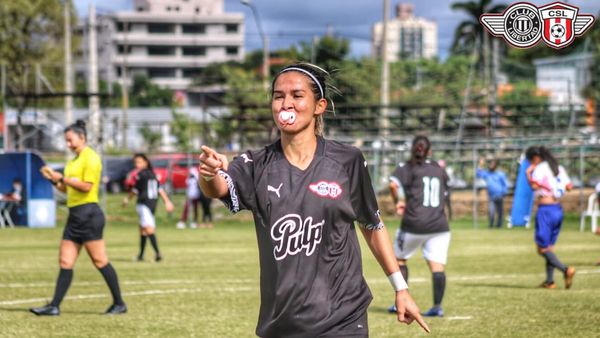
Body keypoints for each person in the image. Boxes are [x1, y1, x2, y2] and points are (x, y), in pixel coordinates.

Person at [199, 63, 429, 337]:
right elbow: (219, 188)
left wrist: (400, 288)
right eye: (278, 96)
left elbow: (372, 225)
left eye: (297, 95)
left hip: (343, 317)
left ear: (319, 106)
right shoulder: (255, 163)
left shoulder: (347, 161)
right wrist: (210, 173)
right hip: (281, 323)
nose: (286, 104)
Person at [31, 120, 127, 316]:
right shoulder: (73, 161)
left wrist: (61, 178)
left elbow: (87, 186)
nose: (68, 144)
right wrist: (53, 179)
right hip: (75, 214)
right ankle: (54, 306)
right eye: (66, 141)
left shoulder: (91, 158)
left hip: (89, 214)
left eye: (70, 140)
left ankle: (119, 303)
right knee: (65, 262)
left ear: (82, 138)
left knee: (100, 261)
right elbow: (66, 188)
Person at [388, 135, 450, 317]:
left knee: (399, 260)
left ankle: (400, 301)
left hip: (413, 223)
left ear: (413, 149)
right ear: (429, 150)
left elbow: (393, 185)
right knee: (437, 266)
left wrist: (398, 202)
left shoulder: (406, 167)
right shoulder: (438, 169)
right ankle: (437, 306)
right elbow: (445, 192)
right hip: (439, 224)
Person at [525, 146, 575, 289]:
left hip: (546, 210)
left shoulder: (540, 168)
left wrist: (528, 173)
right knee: (549, 248)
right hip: (557, 210)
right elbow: (570, 186)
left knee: (542, 249)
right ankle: (549, 281)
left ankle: (566, 270)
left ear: (535, 158)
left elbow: (534, 186)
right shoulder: (557, 167)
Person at [123, 154, 174, 262]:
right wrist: (167, 202)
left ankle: (152, 254)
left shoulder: (142, 174)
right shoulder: (152, 174)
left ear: (146, 162)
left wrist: (127, 199)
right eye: (136, 162)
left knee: (146, 230)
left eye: (139, 162)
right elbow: (159, 189)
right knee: (145, 229)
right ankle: (148, 255)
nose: (137, 164)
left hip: (145, 204)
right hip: (148, 205)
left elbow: (135, 190)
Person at [476, 157, 509, 228]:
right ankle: (491, 225)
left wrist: (504, 192)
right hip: (491, 196)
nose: (491, 166)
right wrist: (481, 164)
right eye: (490, 164)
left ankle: (499, 225)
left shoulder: (500, 174)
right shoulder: (487, 174)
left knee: (500, 212)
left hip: (500, 196)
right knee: (491, 212)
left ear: (495, 166)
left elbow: (505, 184)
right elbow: (478, 173)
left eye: (493, 164)